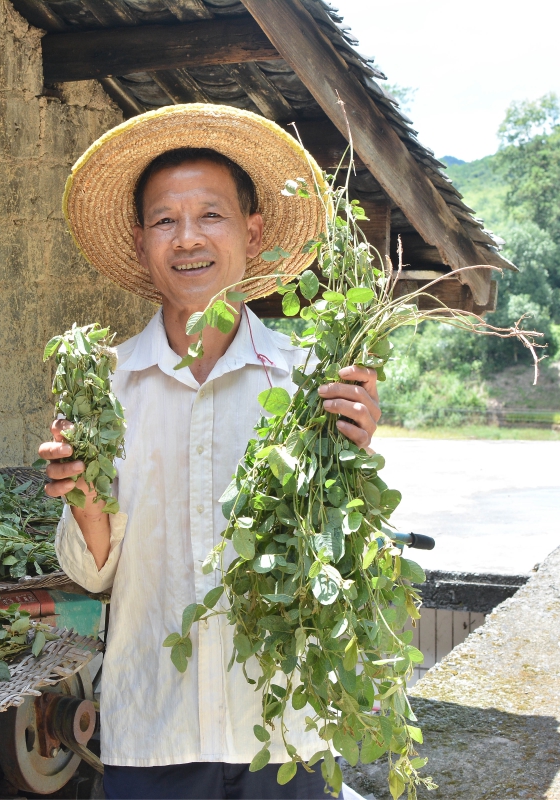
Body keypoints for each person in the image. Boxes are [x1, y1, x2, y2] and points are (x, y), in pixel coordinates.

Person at [40, 105, 380, 800]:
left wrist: (357, 453)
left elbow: (340, 556)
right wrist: (86, 504)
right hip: (153, 726)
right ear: (140, 241)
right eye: (165, 220)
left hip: (284, 728)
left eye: (211, 216)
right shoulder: (104, 388)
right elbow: (92, 578)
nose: (187, 239)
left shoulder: (310, 379)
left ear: (253, 232)